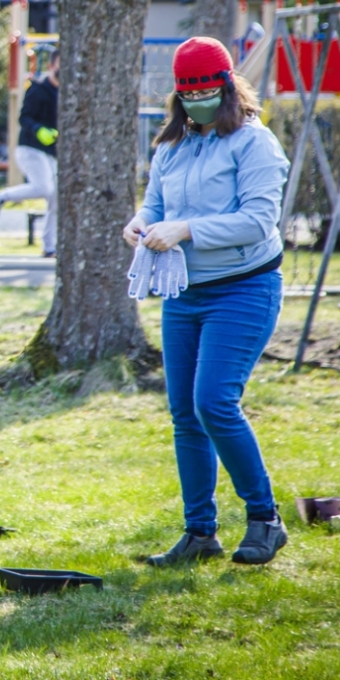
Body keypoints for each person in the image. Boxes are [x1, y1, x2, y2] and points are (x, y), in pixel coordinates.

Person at [122, 37, 291, 566]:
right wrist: (141, 223)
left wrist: (186, 229)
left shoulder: (255, 144)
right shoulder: (172, 146)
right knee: (185, 414)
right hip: (185, 293)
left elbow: (258, 221)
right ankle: (200, 533)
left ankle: (265, 519)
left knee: (214, 402)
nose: (196, 103)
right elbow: (155, 204)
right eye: (187, 95)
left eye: (205, 93)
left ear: (227, 87)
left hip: (244, 288)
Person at [0, 47, 59, 256]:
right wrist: (38, 130)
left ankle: (49, 247)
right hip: (30, 148)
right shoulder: (38, 89)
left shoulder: (69, 92)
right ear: (51, 66)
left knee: (57, 197)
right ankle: (1, 197)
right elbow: (24, 117)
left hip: (51, 153)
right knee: (44, 188)